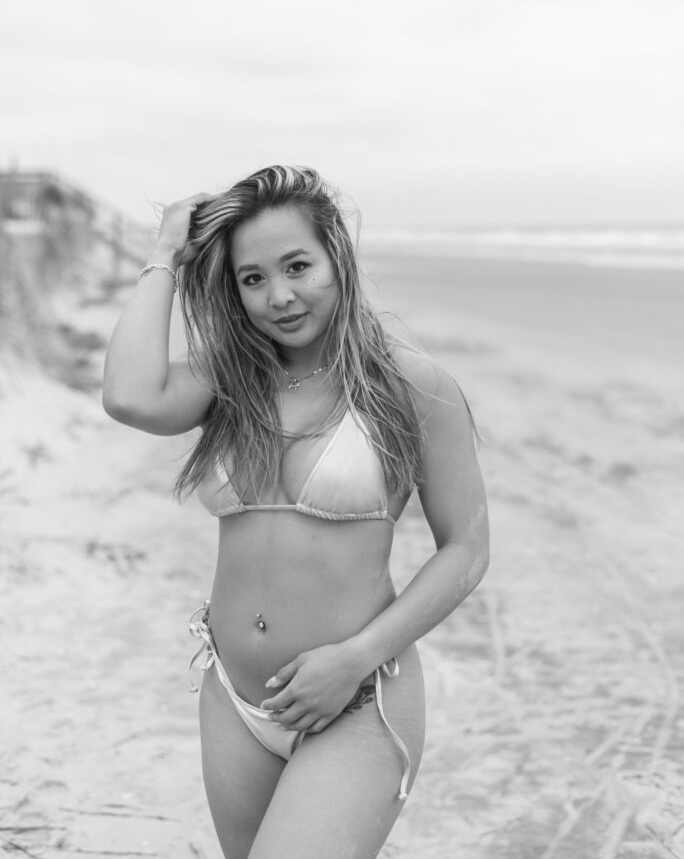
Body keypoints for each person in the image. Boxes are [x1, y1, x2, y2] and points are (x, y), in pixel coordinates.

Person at [102, 165, 489, 859]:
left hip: (357, 698)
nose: (278, 296)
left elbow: (465, 550)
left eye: (298, 266)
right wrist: (166, 254)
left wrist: (355, 658)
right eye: (253, 278)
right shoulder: (228, 380)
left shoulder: (411, 386)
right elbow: (130, 395)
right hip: (233, 696)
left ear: (337, 255)